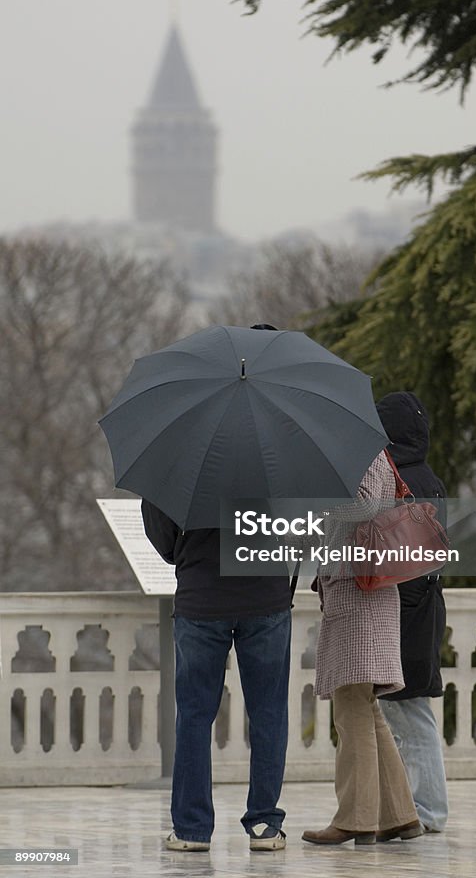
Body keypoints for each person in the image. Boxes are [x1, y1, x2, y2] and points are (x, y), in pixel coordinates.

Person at [141, 323, 291, 854]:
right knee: (269, 714)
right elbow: (312, 521)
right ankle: (265, 825)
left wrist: (185, 558)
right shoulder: (290, 443)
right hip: (268, 597)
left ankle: (190, 830)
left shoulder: (186, 437)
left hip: (201, 597)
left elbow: (158, 522)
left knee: (194, 716)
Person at [302, 451, 422, 846]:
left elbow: (367, 503)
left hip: (360, 595)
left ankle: (356, 819)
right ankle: (400, 816)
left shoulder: (365, 451)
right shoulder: (364, 452)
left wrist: (317, 504)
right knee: (366, 706)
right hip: (361, 591)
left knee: (351, 704)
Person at [375, 390, 449, 834]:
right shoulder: (429, 478)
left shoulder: (395, 480)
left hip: (403, 610)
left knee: (408, 713)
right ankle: (415, 808)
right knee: (408, 711)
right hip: (425, 607)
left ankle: (426, 811)